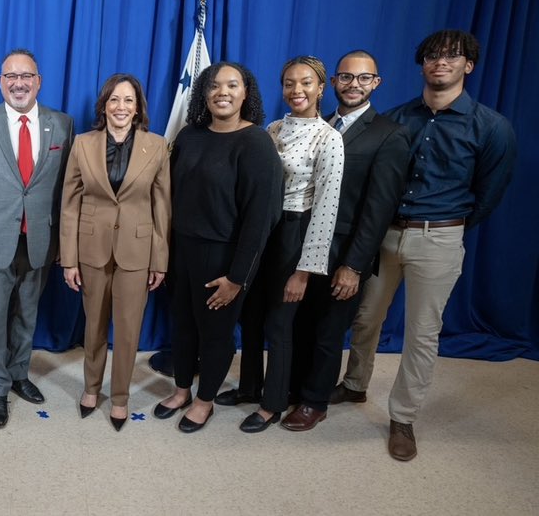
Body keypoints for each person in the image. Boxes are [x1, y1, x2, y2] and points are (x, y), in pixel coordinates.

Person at [332, 30, 516, 460]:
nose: (441, 63)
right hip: (386, 234)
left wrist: (449, 228)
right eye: (432, 56)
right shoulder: (396, 119)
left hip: (440, 236)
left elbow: (489, 194)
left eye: (452, 56)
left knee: (421, 334)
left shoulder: (491, 127)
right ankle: (355, 385)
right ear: (421, 65)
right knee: (365, 317)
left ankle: (403, 417)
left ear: (468, 65)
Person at [283, 51, 410, 432]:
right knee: (300, 323)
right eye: (346, 77)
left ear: (376, 83)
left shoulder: (388, 134)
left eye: (363, 78)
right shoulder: (320, 125)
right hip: (305, 242)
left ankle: (314, 402)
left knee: (328, 328)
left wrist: (354, 265)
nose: (354, 84)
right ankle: (294, 389)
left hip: (344, 250)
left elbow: (378, 209)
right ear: (333, 83)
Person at [217, 56, 344, 433]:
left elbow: (326, 209)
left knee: (279, 322)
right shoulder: (271, 129)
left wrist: (304, 271)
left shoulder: (329, 138)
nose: (296, 90)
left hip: (296, 231)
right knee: (250, 315)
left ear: (321, 88)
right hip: (263, 228)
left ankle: (274, 403)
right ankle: (250, 387)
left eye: (305, 83)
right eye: (289, 83)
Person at [154, 62, 283, 433]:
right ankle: (181, 390)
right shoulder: (190, 136)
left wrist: (238, 277)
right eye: (214, 85)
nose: (222, 92)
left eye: (232, 85)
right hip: (182, 250)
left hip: (224, 256)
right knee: (181, 326)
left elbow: (261, 218)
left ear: (246, 93)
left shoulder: (256, 142)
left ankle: (204, 400)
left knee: (214, 332)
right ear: (204, 94)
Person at [0, 49, 74, 428]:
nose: (19, 83)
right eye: (11, 76)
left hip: (40, 240)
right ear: (0, 82)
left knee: (27, 313)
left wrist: (64, 242)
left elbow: (65, 191)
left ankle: (19, 373)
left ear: (38, 81)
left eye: (26, 76)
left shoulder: (62, 124)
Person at [60, 74, 170, 431]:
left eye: (128, 100)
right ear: (103, 105)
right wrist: (69, 259)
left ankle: (119, 396)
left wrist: (160, 260)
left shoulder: (157, 145)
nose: (120, 107)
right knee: (93, 326)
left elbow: (162, 207)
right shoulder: (82, 143)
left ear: (138, 108)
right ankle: (91, 388)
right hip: (91, 249)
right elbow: (69, 205)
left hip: (137, 252)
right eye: (114, 100)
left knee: (127, 329)